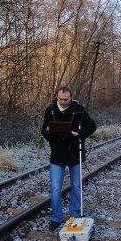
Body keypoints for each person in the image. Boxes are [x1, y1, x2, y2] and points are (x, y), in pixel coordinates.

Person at [41, 86, 97, 231]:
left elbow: (92, 126)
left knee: (77, 186)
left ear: (71, 97)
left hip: (74, 153)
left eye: (66, 99)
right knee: (55, 188)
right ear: (57, 97)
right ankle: (56, 218)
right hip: (57, 154)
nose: (63, 102)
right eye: (61, 99)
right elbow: (43, 130)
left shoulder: (78, 109)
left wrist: (78, 133)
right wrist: (48, 134)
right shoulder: (50, 110)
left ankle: (75, 214)